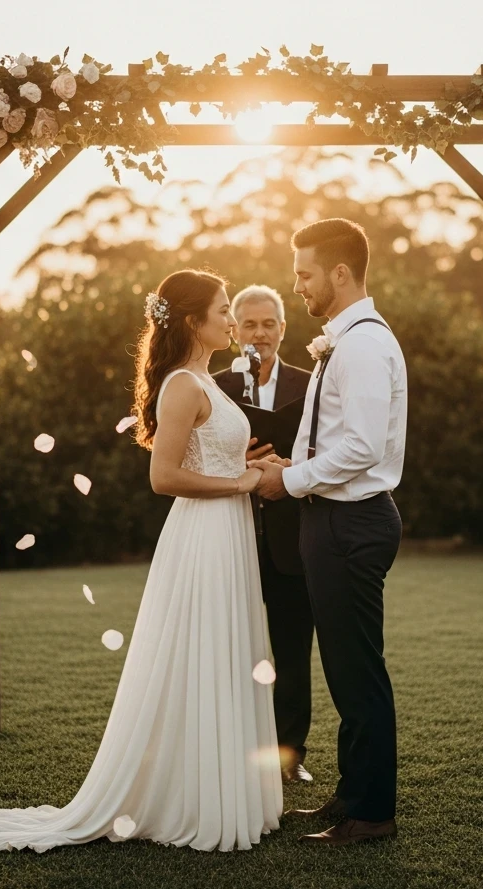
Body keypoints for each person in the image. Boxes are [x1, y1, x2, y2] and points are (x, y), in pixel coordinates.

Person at [0, 269, 283, 853]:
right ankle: (193, 800)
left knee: (223, 652)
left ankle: (219, 789)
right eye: (224, 310)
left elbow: (212, 454)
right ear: (192, 321)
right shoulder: (183, 383)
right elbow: (165, 477)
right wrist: (246, 481)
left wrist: (250, 462)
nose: (232, 320)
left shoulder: (206, 379)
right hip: (204, 538)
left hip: (228, 534)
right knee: (202, 652)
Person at [252, 218, 408, 846]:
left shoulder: (365, 344)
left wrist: (287, 483)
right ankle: (350, 794)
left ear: (339, 273)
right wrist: (296, 467)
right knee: (344, 669)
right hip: (330, 515)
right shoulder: (342, 340)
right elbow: (339, 441)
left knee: (357, 669)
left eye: (305, 274)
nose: (298, 287)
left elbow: (365, 449)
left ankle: (373, 813)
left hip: (351, 521)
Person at [213, 285, 316, 786]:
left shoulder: (312, 381)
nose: (259, 333)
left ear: (282, 328)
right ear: (233, 331)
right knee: (229, 648)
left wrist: (294, 469)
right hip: (226, 535)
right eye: (248, 324)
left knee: (293, 651)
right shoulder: (213, 386)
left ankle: (290, 757)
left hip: (291, 538)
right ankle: (229, 752)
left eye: (268, 323)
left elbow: (330, 448)